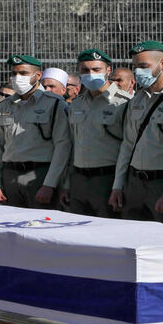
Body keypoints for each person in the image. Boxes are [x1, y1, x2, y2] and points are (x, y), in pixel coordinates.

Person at [109, 41, 163, 227]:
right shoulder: (137, 100)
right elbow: (128, 145)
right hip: (135, 184)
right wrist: (118, 186)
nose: (138, 71)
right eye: (135, 67)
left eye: (144, 66)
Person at [0, 54, 70, 209]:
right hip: (10, 177)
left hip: (40, 176)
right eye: (14, 73)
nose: (17, 77)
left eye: (23, 73)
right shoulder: (5, 105)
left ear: (37, 75)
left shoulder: (54, 104)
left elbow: (63, 147)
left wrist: (50, 184)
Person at [65, 49, 130, 217]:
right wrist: (66, 184)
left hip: (108, 179)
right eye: (85, 70)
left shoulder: (124, 103)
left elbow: (129, 147)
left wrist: (119, 186)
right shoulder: (76, 104)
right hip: (79, 179)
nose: (90, 74)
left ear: (108, 70)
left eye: (96, 70)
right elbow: (71, 146)